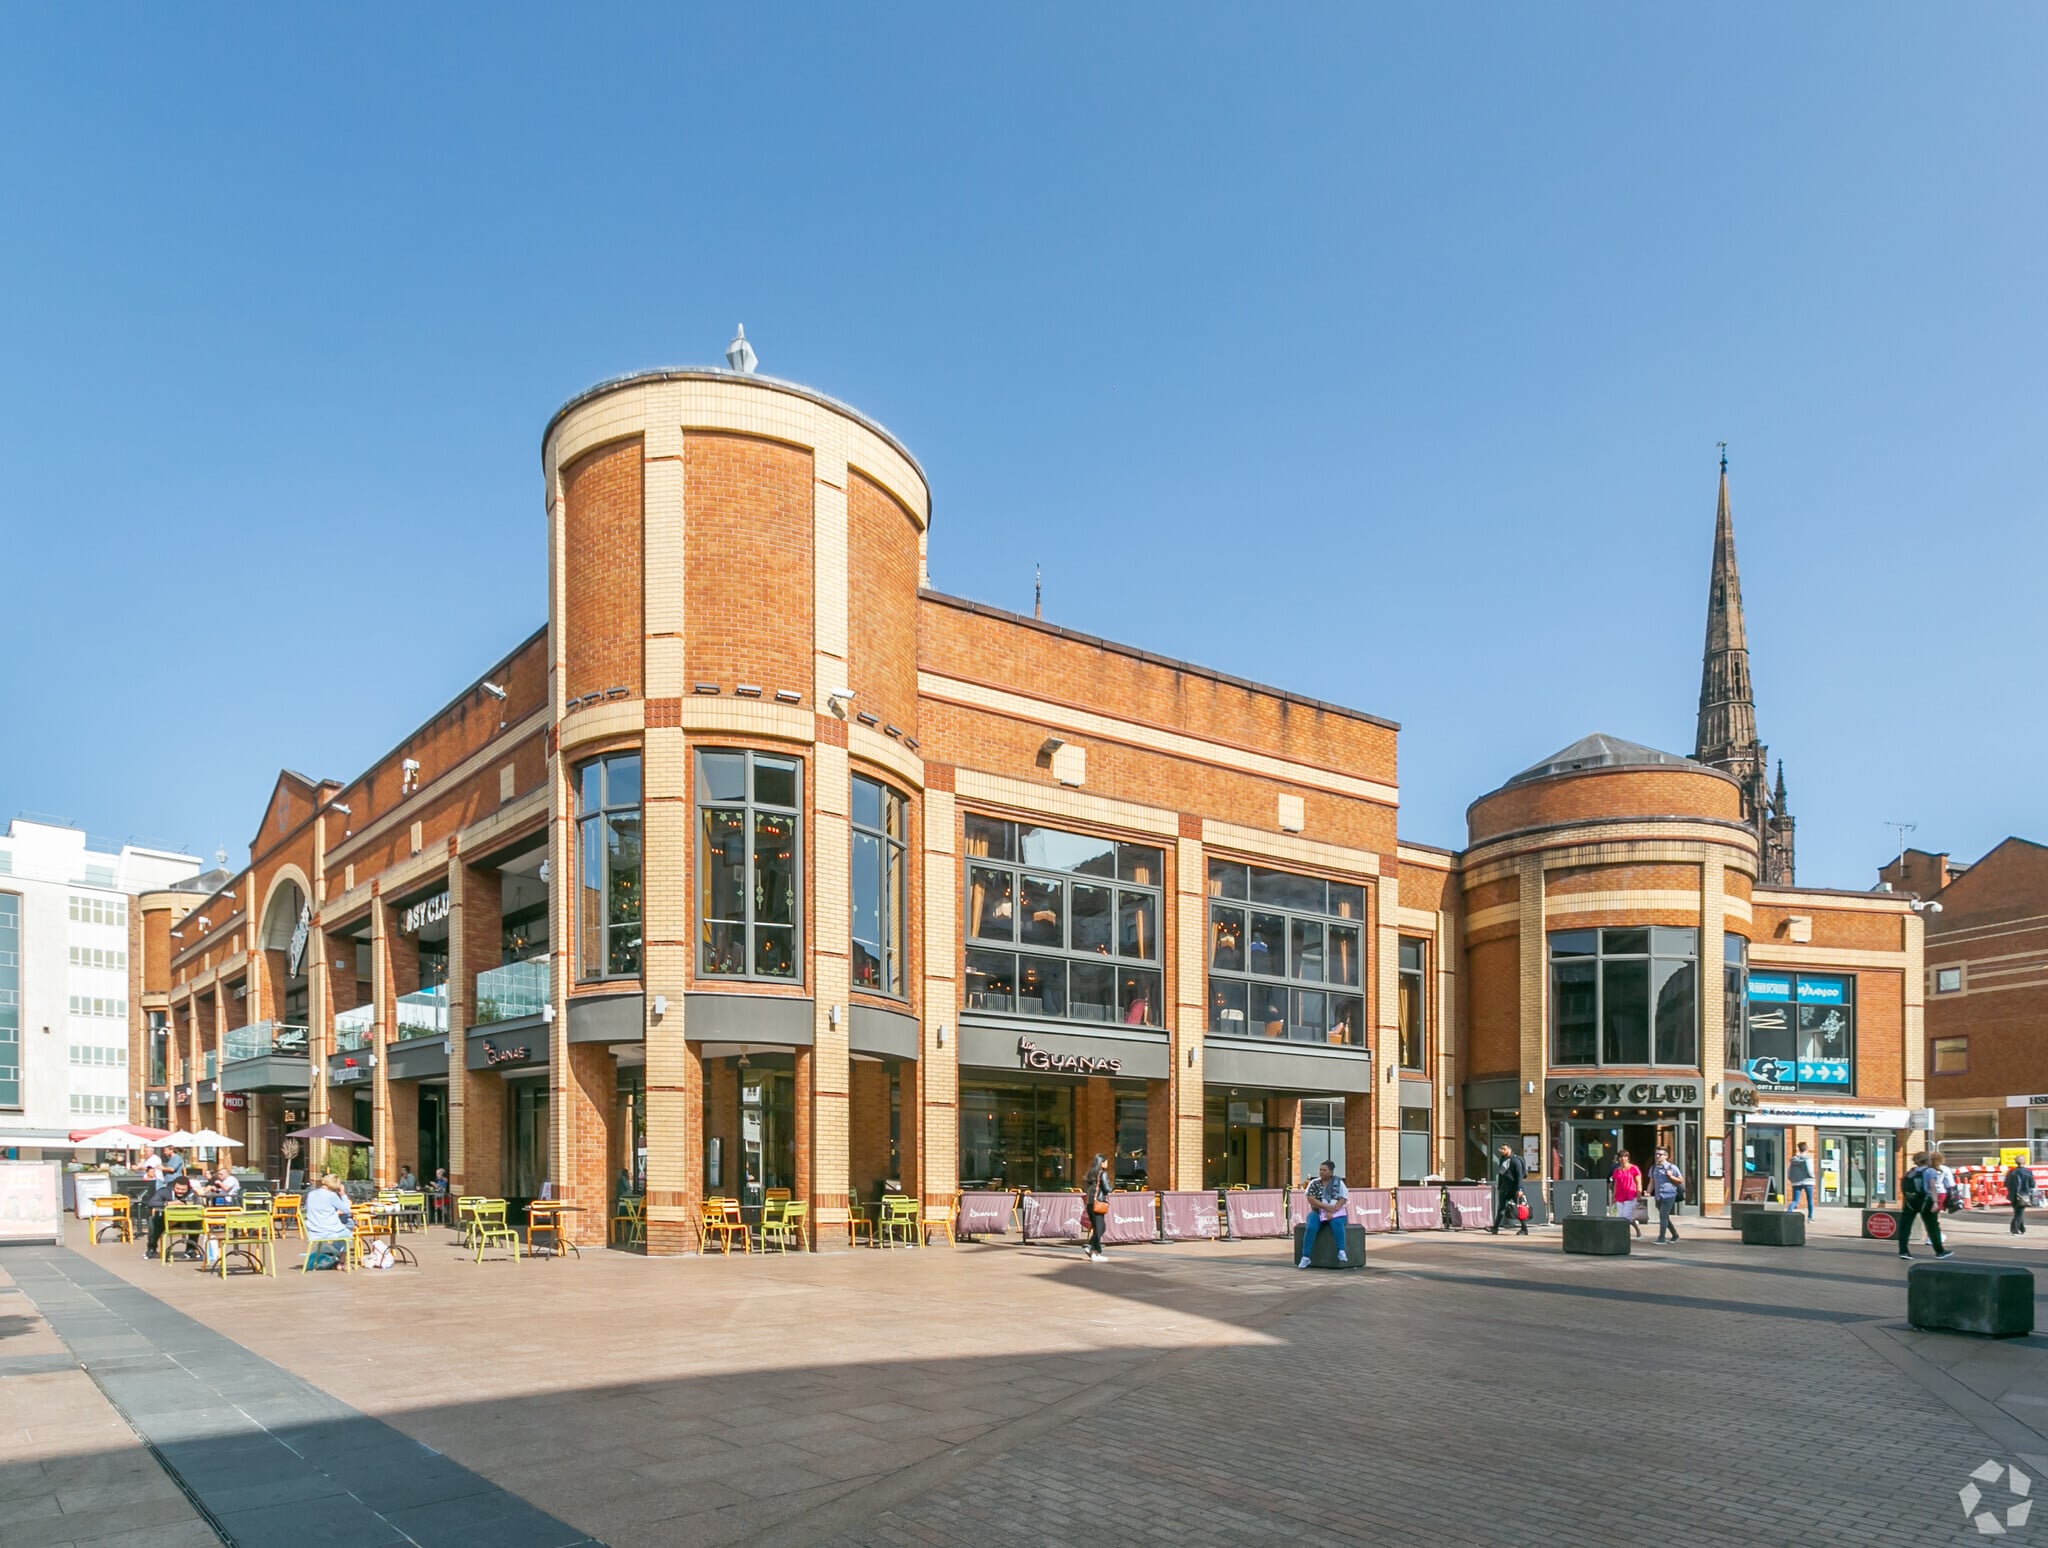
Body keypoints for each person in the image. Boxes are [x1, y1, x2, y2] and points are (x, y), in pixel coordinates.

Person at [1898, 1151, 1954, 1259]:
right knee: (1932, 1226)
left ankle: (1903, 1251)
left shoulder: (1911, 1172)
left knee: (1905, 1226)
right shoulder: (1930, 1171)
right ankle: (1940, 1251)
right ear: (1927, 1160)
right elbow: (1932, 1187)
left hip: (1910, 1201)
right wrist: (1935, 1202)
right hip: (1925, 1201)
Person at [1298, 1159, 1350, 1267]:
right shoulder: (1314, 1183)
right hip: (1318, 1211)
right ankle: (1306, 1257)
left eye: (1324, 1170)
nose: (1321, 1172)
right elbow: (1311, 1199)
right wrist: (1326, 1207)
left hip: (1336, 1212)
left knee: (1337, 1224)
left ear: (1331, 1172)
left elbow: (1343, 1199)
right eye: (1320, 1170)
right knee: (1311, 1227)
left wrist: (1333, 1211)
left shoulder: (1339, 1182)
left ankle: (1341, 1251)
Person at [303, 1173, 356, 1268]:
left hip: (314, 1231)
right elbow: (346, 1209)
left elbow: (308, 1209)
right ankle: (341, 1262)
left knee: (341, 1233)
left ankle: (334, 1257)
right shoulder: (331, 1195)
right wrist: (343, 1194)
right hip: (329, 1231)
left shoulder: (311, 1194)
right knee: (348, 1233)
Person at [144, 1175, 198, 1257]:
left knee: (197, 1221)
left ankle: (190, 1249)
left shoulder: (192, 1194)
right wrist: (168, 1203)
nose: (180, 1191)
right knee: (154, 1221)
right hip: (166, 1220)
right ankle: (152, 1248)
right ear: (173, 1187)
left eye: (183, 1190)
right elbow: (151, 1203)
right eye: (178, 1189)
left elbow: (202, 1206)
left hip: (186, 1219)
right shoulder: (164, 1192)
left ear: (188, 1188)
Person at [1648, 1147, 1685, 1242]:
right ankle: (1675, 1235)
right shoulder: (1653, 1168)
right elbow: (1652, 1182)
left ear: (1666, 1156)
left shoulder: (1672, 1167)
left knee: (1663, 1215)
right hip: (1658, 1196)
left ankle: (1661, 1238)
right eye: (1656, 1154)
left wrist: (1671, 1176)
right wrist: (1648, 1192)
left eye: (1660, 1154)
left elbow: (1681, 1180)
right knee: (1665, 1217)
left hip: (1669, 1195)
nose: (1657, 1156)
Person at [1490, 1144, 1528, 1235]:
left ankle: (1524, 1229)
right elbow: (1501, 1175)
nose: (1502, 1150)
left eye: (1504, 1149)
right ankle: (1495, 1228)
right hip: (1504, 1188)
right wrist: (1500, 1187)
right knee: (1501, 1208)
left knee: (1519, 1209)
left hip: (1514, 1189)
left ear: (1510, 1149)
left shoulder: (1515, 1161)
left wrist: (1519, 1189)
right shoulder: (1502, 1160)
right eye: (1501, 1149)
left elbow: (1519, 1176)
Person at [1081, 1153, 1111, 1261]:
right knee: (1100, 1228)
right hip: (1098, 1204)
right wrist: (1109, 1184)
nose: (1107, 1164)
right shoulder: (1102, 1174)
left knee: (1099, 1227)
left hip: (1090, 1204)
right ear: (1101, 1163)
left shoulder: (1090, 1174)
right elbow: (1107, 1189)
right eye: (1106, 1162)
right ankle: (1094, 1252)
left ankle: (1090, 1248)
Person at [1611, 1149, 1644, 1238]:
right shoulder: (1617, 1170)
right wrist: (1613, 1196)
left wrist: (1639, 1195)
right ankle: (1625, 1234)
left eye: (1625, 1157)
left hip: (1630, 1195)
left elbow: (1638, 1182)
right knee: (1621, 1217)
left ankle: (1636, 1230)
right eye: (1621, 1157)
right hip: (1619, 1195)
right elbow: (1616, 1184)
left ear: (1628, 1158)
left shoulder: (1634, 1168)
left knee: (1626, 1216)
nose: (1623, 1159)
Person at [2005, 1157, 2036, 1236]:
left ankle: (2021, 1229)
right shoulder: (2028, 1172)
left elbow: (2006, 1183)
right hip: (2024, 1194)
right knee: (2019, 1213)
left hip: (2013, 1194)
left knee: (2018, 1212)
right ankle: (2014, 1229)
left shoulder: (2011, 1172)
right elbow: (2032, 1184)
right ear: (2025, 1162)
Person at [1787, 1142, 1817, 1219]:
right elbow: (1810, 1170)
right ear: (1807, 1149)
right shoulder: (1808, 1159)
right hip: (1808, 1181)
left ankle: (1788, 1212)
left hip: (1796, 1182)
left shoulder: (1793, 1160)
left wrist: (1791, 1178)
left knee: (1795, 1200)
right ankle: (1810, 1217)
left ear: (1799, 1149)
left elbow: (1789, 1171)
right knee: (1810, 1200)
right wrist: (1812, 1176)